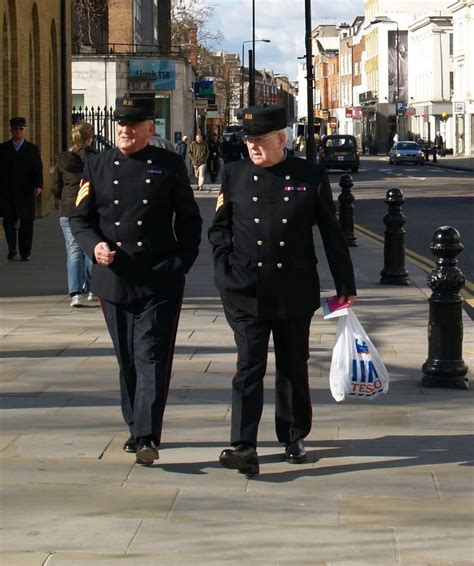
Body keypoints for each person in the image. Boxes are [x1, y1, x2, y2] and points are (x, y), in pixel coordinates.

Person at [208, 104, 357, 475]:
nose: (253, 147)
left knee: (293, 365)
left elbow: (332, 234)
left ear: (281, 139)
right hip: (245, 288)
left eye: (260, 140)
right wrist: (224, 268)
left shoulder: (310, 175)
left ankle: (293, 435)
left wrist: (345, 285)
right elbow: (219, 227)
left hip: (293, 286)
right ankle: (243, 444)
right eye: (248, 141)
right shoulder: (233, 173)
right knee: (248, 366)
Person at [70, 97, 202, 466]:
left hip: (159, 278)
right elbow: (80, 219)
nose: (125, 130)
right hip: (114, 278)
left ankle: (146, 435)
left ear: (150, 128)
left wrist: (181, 262)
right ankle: (134, 425)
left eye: (134, 124)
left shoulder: (170, 165)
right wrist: (94, 246)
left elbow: (190, 221)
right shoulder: (96, 165)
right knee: (126, 358)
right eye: (121, 124)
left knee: (151, 357)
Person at [52, 122, 97, 307]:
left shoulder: (62, 159)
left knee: (73, 251)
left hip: (68, 209)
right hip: (89, 208)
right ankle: (93, 289)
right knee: (90, 249)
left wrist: (63, 197)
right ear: (90, 137)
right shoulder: (94, 159)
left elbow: (55, 186)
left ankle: (75, 293)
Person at [0, 117, 43, 261]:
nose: (18, 132)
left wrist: (38, 185)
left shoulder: (32, 149)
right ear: (11, 130)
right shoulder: (3, 148)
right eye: (15, 129)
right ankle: (12, 248)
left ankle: (25, 251)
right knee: (8, 220)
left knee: (26, 221)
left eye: (20, 129)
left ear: (24, 130)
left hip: (26, 190)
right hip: (8, 191)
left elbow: (38, 168)